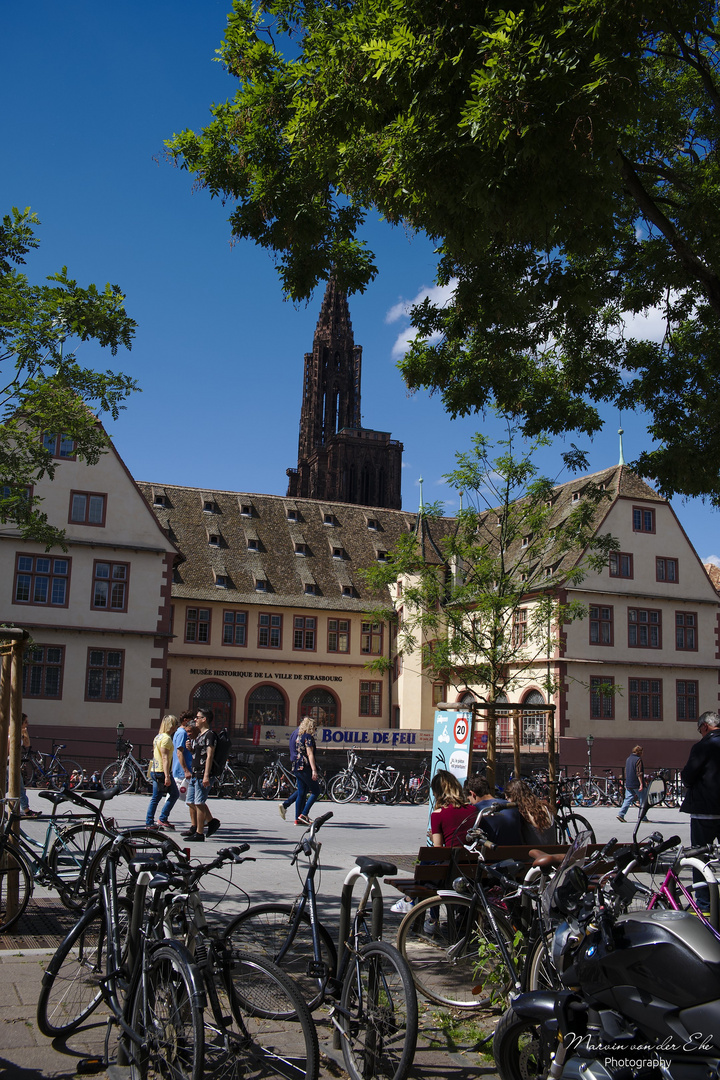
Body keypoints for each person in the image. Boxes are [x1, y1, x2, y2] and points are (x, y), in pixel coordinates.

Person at [680, 711, 720, 847]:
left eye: (699, 730)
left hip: (705, 810)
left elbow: (688, 777)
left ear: (705, 726)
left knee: (700, 857)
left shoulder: (702, 746)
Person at [183, 707, 220, 841]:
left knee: (199, 803)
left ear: (204, 719)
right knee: (190, 801)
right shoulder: (199, 735)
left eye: (197, 717)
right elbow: (199, 755)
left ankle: (199, 833)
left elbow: (209, 756)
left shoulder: (210, 735)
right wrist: (191, 750)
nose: (195, 720)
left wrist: (206, 775)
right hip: (195, 773)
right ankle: (211, 822)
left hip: (203, 774)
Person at [466, 775, 527, 845]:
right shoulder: (510, 806)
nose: (471, 803)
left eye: (469, 800)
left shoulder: (475, 810)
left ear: (472, 794)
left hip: (492, 853)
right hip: (516, 852)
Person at [145, 714, 179, 830]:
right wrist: (167, 776)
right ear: (172, 726)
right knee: (174, 794)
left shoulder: (158, 737)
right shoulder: (167, 739)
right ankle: (160, 818)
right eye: (175, 725)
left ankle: (151, 820)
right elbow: (165, 758)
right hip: (161, 772)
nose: (176, 727)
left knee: (156, 797)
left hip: (155, 769)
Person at [504, 779, 555, 844]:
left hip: (533, 852)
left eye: (507, 799)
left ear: (513, 797)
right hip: (552, 851)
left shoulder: (521, 812)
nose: (507, 802)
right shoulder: (545, 807)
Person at [11, 714, 40, 817]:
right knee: (19, 787)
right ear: (20, 722)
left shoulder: (20, 732)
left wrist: (25, 731)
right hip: (9, 762)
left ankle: (26, 810)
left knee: (9, 787)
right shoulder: (11, 732)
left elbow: (27, 744)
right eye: (25, 722)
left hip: (13, 763)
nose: (28, 723)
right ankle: (26, 810)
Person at [293, 716, 320, 826]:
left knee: (301, 792)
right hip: (305, 767)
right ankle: (304, 814)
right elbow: (309, 754)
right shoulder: (308, 737)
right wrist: (314, 770)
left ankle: (297, 818)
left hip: (296, 766)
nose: (315, 729)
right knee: (316, 791)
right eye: (314, 727)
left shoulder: (299, 737)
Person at [172, 710, 196, 818]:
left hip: (179, 770)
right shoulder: (182, 733)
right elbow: (179, 752)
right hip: (182, 772)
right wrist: (186, 770)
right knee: (190, 799)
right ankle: (202, 820)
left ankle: (202, 820)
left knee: (179, 797)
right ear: (185, 720)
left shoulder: (178, 732)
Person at [278, 721, 301, 820]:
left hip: (295, 762)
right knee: (304, 790)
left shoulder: (294, 733)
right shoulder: (301, 735)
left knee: (302, 790)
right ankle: (299, 815)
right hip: (301, 764)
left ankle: (287, 806)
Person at [617, 744, 645, 822]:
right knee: (643, 800)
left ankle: (621, 814)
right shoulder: (638, 759)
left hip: (629, 782)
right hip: (636, 783)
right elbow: (639, 772)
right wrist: (641, 784)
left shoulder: (628, 759)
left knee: (627, 799)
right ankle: (643, 817)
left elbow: (626, 771)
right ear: (639, 752)